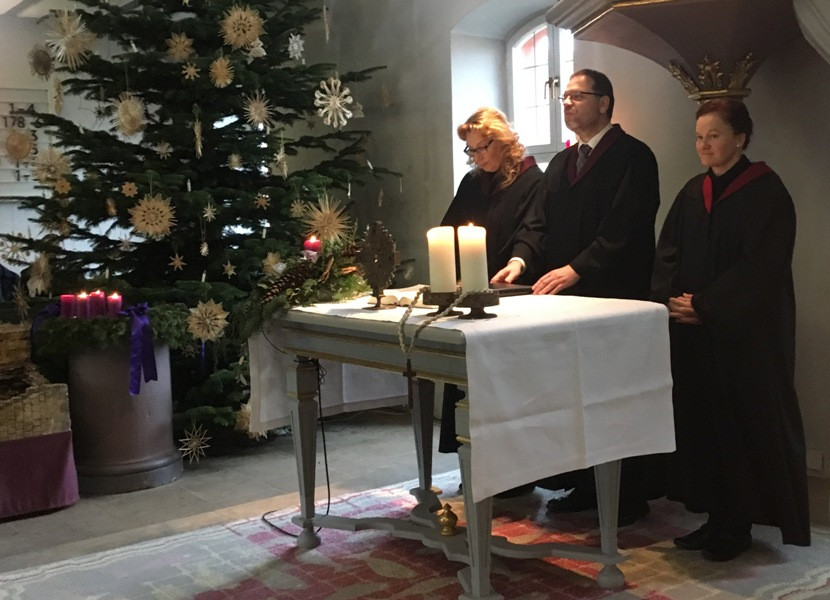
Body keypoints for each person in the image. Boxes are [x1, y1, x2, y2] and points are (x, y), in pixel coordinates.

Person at [491, 69, 663, 524]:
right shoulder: (563, 163)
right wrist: (520, 260)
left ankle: (627, 495)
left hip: (614, 300)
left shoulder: (634, 156)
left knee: (614, 398)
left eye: (577, 96)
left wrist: (576, 268)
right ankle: (585, 484)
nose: (566, 103)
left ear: (604, 103)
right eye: (563, 96)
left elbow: (626, 227)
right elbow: (537, 223)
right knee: (574, 395)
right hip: (566, 303)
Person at [651, 98, 810, 561]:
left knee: (740, 428)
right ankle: (715, 517)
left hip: (745, 339)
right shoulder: (692, 191)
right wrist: (674, 301)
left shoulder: (767, 192)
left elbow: (761, 266)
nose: (704, 145)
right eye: (699, 137)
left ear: (740, 138)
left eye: (714, 136)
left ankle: (737, 524)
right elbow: (667, 252)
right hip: (695, 336)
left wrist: (707, 306)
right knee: (704, 427)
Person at [437, 107, 543, 467]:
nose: (477, 157)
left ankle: (513, 467)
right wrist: (447, 269)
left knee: (506, 385)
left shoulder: (530, 179)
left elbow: (534, 228)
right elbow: (448, 230)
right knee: (468, 381)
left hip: (511, 290)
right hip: (472, 291)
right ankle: (472, 460)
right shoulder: (473, 182)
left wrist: (518, 261)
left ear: (503, 141)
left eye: (482, 148)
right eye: (471, 150)